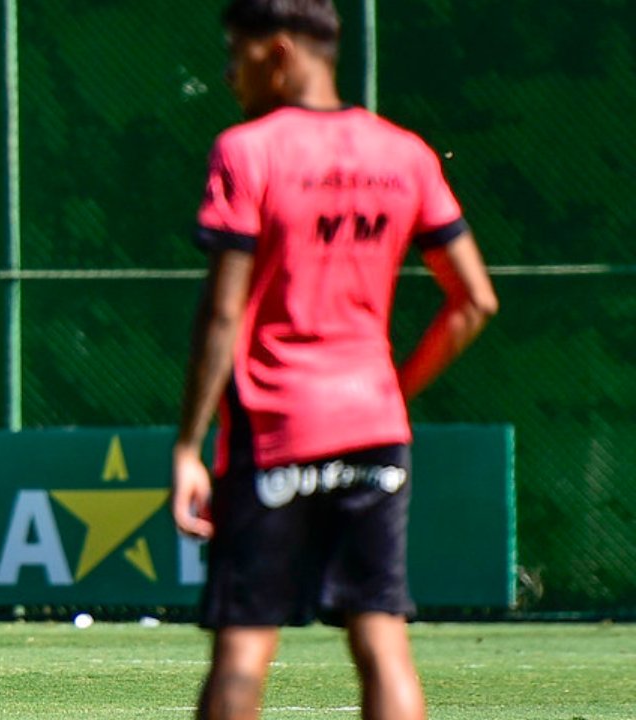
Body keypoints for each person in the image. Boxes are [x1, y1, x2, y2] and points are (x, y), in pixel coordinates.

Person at [171, 2, 498, 719]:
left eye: (236, 53)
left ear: (279, 53)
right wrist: (393, 392)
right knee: (381, 639)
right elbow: (474, 301)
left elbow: (223, 313)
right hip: (374, 427)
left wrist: (189, 446)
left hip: (275, 428)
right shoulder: (405, 154)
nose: (228, 73)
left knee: (244, 646)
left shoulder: (248, 150)